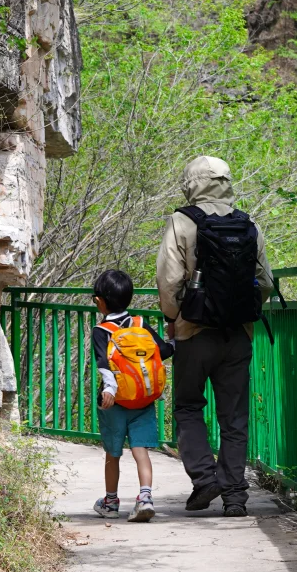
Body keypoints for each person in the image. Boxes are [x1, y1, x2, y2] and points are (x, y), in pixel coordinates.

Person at [156, 156, 273, 517]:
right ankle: (235, 496)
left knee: (189, 407)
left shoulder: (182, 222)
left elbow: (169, 280)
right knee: (234, 418)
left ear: (191, 183)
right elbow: (266, 282)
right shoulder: (248, 223)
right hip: (238, 335)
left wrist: (174, 317)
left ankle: (205, 479)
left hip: (193, 333)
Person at [91, 268, 175, 522]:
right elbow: (164, 352)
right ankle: (145, 497)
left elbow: (103, 363)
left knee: (112, 452)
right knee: (141, 450)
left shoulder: (101, 330)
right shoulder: (140, 324)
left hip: (114, 402)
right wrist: (175, 341)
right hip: (144, 399)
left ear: (100, 301)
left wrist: (109, 390)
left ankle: (111, 501)